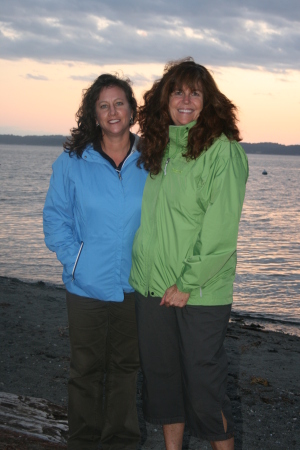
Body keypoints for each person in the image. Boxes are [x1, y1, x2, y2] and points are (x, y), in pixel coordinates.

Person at [129, 58, 249, 450]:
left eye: (194, 93)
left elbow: (220, 232)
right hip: (152, 288)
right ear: (164, 100)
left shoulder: (222, 152)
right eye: (177, 91)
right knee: (162, 382)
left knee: (204, 386)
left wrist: (187, 283)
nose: (185, 100)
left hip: (198, 293)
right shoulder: (156, 149)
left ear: (208, 100)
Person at [43, 74, 148, 450]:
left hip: (135, 285)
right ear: (94, 113)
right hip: (85, 285)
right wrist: (77, 263)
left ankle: (121, 440)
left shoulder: (151, 158)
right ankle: (84, 441)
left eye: (119, 103)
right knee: (86, 370)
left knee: (125, 368)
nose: (112, 111)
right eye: (103, 105)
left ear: (132, 109)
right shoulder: (73, 161)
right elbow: (56, 219)